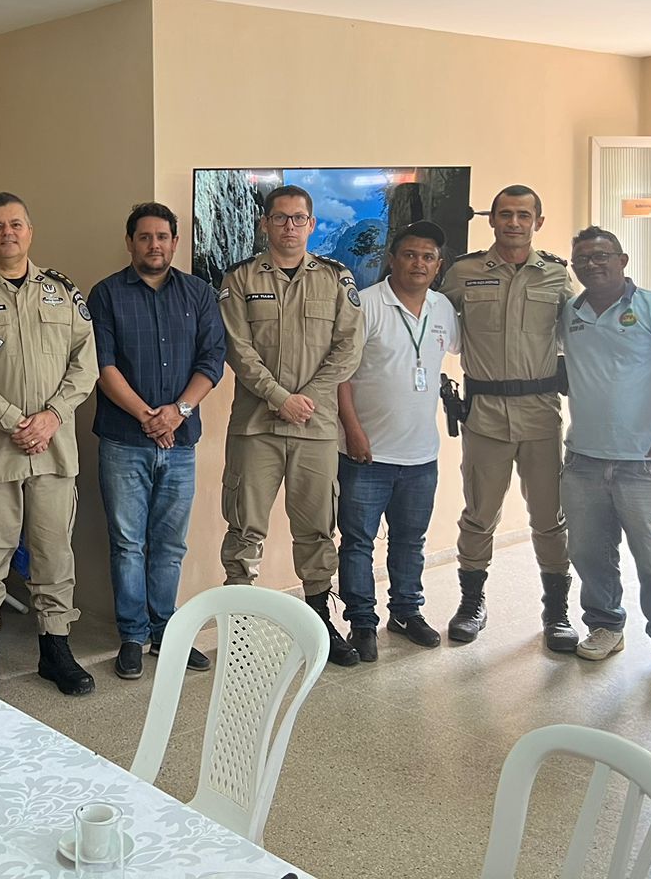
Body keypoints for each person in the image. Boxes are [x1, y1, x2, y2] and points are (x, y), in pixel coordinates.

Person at [0, 192, 99, 696]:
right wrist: (13, 420)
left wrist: (51, 416)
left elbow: (86, 363)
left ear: (30, 231)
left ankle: (56, 648)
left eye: (15, 224)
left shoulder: (62, 292)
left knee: (54, 553)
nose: (7, 233)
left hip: (52, 448)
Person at [219, 184, 364, 668]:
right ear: (265, 223)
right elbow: (237, 349)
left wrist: (307, 399)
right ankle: (239, 629)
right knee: (244, 528)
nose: (289, 226)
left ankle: (319, 623)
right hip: (256, 427)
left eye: (298, 218)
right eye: (280, 217)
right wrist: (281, 398)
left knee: (317, 530)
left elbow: (348, 347)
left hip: (315, 428)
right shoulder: (240, 279)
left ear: (311, 225)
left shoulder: (336, 279)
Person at [87, 202, 226, 681]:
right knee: (127, 543)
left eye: (162, 236)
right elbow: (103, 365)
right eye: (144, 237)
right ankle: (132, 635)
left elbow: (212, 359)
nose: (154, 245)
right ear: (130, 243)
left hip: (180, 441)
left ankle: (166, 632)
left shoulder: (199, 293)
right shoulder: (106, 294)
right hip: (124, 440)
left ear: (175, 242)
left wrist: (176, 412)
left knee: (169, 544)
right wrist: (149, 417)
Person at [439, 184, 577, 651]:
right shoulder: (464, 273)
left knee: (550, 518)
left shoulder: (557, 275)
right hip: (485, 415)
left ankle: (557, 612)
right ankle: (471, 604)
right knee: (479, 515)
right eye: (505, 214)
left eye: (523, 215)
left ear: (538, 222)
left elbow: (584, 334)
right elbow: (429, 322)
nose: (513, 223)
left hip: (541, 415)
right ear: (492, 219)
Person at [560, 227, 651, 666]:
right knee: (588, 553)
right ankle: (605, 625)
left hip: (646, 461)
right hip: (583, 460)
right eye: (583, 258)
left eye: (601, 256)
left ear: (622, 260)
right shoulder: (569, 313)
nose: (592, 264)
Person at [336, 221, 460, 660]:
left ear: (438, 265)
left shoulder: (443, 309)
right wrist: (353, 430)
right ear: (392, 259)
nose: (418, 263)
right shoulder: (365, 304)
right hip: (366, 454)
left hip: (421, 455)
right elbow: (341, 376)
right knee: (358, 543)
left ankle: (406, 612)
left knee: (410, 541)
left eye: (428, 257)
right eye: (410, 254)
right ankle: (361, 624)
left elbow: (456, 353)